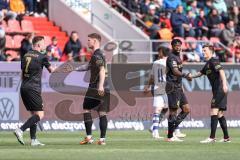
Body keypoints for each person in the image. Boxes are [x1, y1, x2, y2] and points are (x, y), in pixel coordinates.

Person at [14, 36, 56, 146]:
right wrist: (56, 69)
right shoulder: (42, 57)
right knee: (40, 115)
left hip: (24, 87)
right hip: (34, 88)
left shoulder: (25, 55)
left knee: (34, 113)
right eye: (43, 43)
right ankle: (20, 130)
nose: (44, 45)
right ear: (38, 44)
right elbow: (51, 70)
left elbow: (22, 73)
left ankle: (33, 140)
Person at [189, 44, 230, 143]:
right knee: (219, 114)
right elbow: (200, 74)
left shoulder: (214, 61)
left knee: (213, 111)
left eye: (205, 50)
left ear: (211, 51)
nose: (203, 52)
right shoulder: (207, 64)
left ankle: (212, 138)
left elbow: (222, 72)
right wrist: (190, 76)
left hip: (220, 90)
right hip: (217, 91)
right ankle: (226, 138)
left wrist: (224, 85)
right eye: (202, 51)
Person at [144, 46, 186, 139]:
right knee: (173, 109)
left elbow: (152, 77)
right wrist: (181, 87)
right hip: (168, 88)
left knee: (160, 109)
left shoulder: (155, 63)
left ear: (161, 53)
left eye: (159, 52)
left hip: (158, 87)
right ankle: (175, 131)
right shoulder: (170, 62)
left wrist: (147, 86)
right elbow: (176, 76)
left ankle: (154, 130)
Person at [77, 33, 110, 145]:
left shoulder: (97, 55)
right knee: (102, 112)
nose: (88, 42)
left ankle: (89, 137)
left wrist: (99, 85)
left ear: (95, 41)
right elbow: (87, 67)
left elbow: (101, 69)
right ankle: (102, 140)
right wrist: (74, 69)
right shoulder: (100, 54)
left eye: (89, 40)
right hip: (106, 86)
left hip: (95, 86)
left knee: (86, 108)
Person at [165, 39, 192, 142]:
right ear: (172, 46)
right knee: (173, 111)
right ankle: (170, 137)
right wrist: (185, 75)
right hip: (172, 87)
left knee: (186, 109)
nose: (178, 47)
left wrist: (182, 85)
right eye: (176, 45)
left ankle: (171, 130)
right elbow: (175, 71)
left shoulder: (178, 57)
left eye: (179, 45)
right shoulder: (171, 57)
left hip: (178, 87)